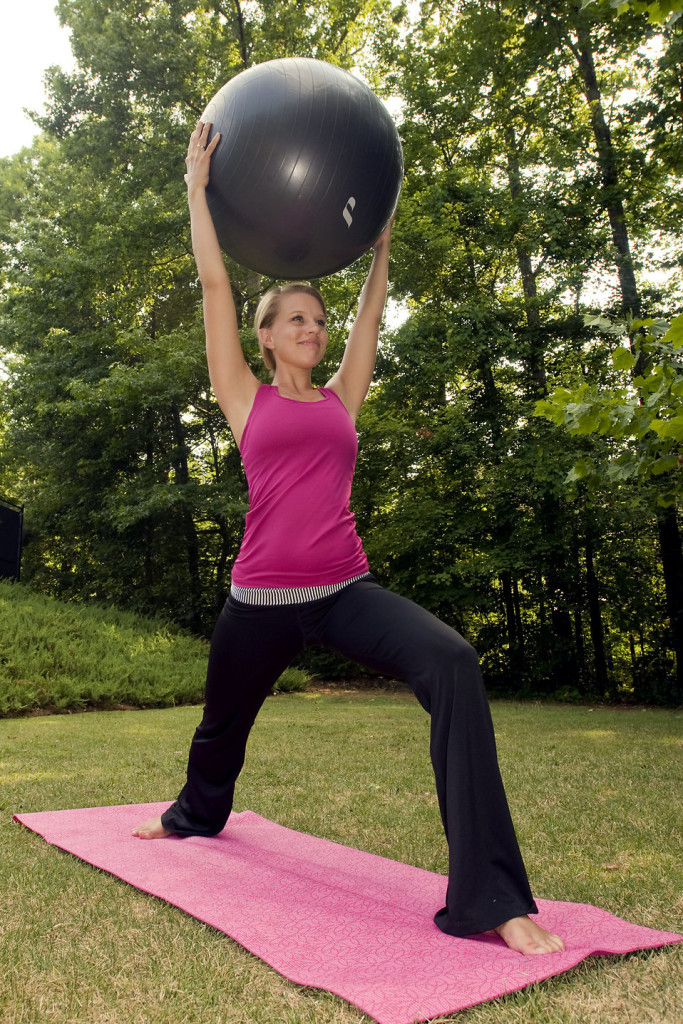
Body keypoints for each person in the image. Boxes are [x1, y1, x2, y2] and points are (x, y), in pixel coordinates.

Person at [133, 120, 565, 957]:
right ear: (265, 336)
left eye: (316, 318)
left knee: (451, 660)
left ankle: (490, 897)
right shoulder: (242, 394)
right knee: (221, 727)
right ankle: (194, 815)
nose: (312, 326)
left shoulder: (339, 400)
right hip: (258, 600)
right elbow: (215, 285)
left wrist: (380, 241)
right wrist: (196, 190)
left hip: (341, 590)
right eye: (294, 317)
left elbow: (372, 313)